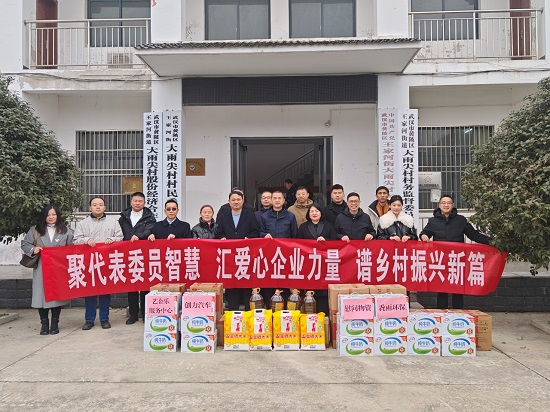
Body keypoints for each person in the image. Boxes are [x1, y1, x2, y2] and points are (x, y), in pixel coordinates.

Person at [420, 195, 491, 310]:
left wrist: (492, 242)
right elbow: (425, 232)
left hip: (457, 260)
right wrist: (423, 235)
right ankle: (442, 314)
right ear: (439, 205)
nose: (446, 205)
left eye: (449, 203)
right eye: (443, 203)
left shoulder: (461, 220)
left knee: (458, 289)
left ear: (453, 205)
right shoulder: (433, 221)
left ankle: (458, 314)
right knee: (442, 289)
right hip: (441, 261)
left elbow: (473, 235)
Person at [21, 204, 74, 335]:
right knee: (41, 296)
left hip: (59, 268)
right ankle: (44, 324)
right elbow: (25, 244)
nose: (51, 217)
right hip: (41, 267)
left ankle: (55, 323)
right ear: (44, 216)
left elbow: (72, 247)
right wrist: (33, 249)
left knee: (57, 296)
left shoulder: (65, 230)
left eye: (54, 214)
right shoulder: (35, 230)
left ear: (58, 215)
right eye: (48, 215)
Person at [74, 197, 123, 330]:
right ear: (90, 207)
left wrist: (112, 239)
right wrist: (86, 240)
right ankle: (89, 320)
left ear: (104, 207)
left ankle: (104, 319)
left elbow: (120, 237)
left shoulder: (113, 222)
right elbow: (76, 240)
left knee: (105, 292)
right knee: (89, 292)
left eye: (100, 205)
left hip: (106, 262)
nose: (98, 207)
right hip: (88, 262)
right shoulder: (83, 223)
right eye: (95, 205)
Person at [216, 190, 260, 311]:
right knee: (232, 284)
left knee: (246, 283)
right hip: (229, 256)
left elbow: (255, 232)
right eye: (233, 200)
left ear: (243, 201)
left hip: (245, 255)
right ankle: (233, 312)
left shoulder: (250, 215)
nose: (236, 202)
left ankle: (248, 311)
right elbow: (219, 232)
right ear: (229, 202)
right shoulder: (223, 216)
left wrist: (248, 238)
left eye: (238, 200)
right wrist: (222, 238)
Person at [119, 191, 156, 325]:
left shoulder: (149, 217)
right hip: (128, 254)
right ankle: (133, 314)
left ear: (144, 203)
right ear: (131, 202)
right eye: (135, 201)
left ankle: (146, 313)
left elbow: (150, 231)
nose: (137, 203)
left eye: (140, 201)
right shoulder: (123, 217)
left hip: (143, 254)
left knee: (145, 285)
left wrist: (139, 236)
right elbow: (119, 232)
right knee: (132, 285)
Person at [296, 203, 336, 315]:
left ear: (321, 213)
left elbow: (335, 242)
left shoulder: (328, 225)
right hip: (309, 263)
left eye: (316, 211)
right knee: (310, 286)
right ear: (308, 214)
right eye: (312, 211)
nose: (314, 213)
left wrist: (326, 240)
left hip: (324, 263)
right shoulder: (303, 227)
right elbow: (299, 243)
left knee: (323, 289)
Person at [259, 190, 298, 304]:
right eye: (274, 198)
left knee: (284, 281)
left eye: (279, 198)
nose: (277, 200)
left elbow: (295, 235)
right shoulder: (264, 216)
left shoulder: (290, 216)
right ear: (271, 200)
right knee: (269, 281)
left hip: (285, 255)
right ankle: (269, 306)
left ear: (284, 201)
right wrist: (264, 235)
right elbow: (260, 232)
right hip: (269, 255)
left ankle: (284, 306)